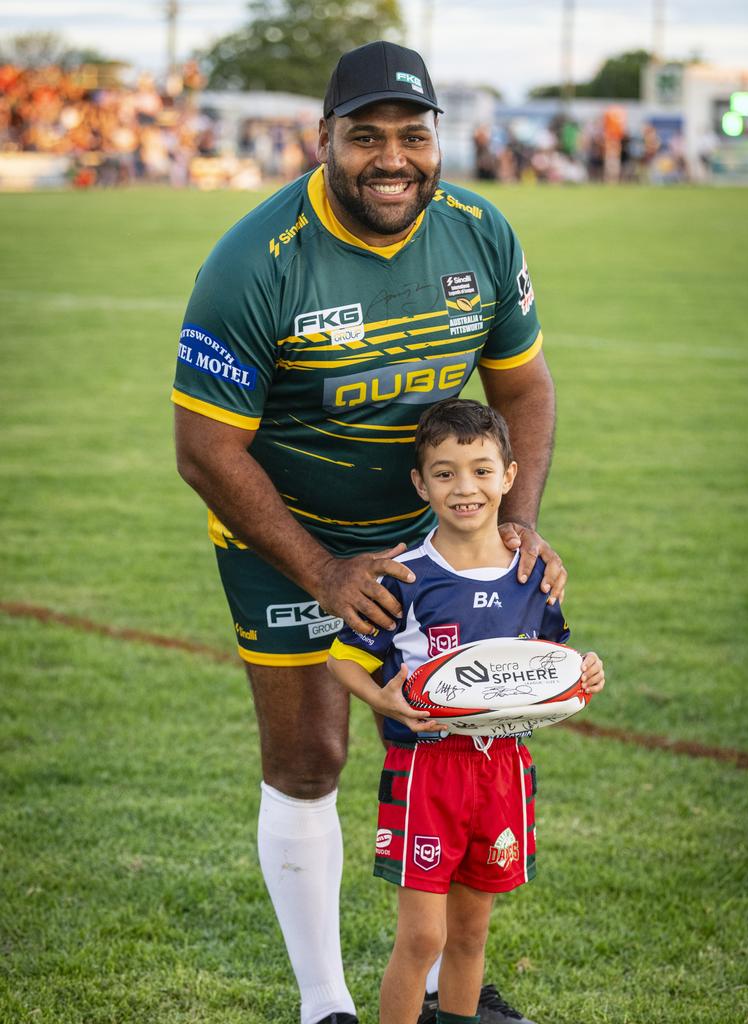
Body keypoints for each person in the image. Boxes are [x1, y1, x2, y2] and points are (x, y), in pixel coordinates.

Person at [173, 39, 566, 1024]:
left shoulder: (480, 231)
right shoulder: (254, 261)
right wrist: (322, 571)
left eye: (413, 135)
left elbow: (522, 386)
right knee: (311, 753)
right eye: (366, 137)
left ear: (439, 138)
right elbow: (206, 451)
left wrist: (512, 529)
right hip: (289, 533)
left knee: (448, 740)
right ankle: (325, 1004)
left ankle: (440, 989)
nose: (392, 157)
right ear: (324, 142)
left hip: (425, 536)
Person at [328, 399, 605, 1024]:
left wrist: (583, 673)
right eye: (445, 473)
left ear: (509, 476)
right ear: (420, 484)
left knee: (470, 936)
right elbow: (341, 659)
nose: (465, 488)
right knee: (424, 937)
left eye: (481, 470)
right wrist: (382, 696)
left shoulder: (534, 577)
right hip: (428, 769)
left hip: (503, 766)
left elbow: (549, 662)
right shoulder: (407, 575)